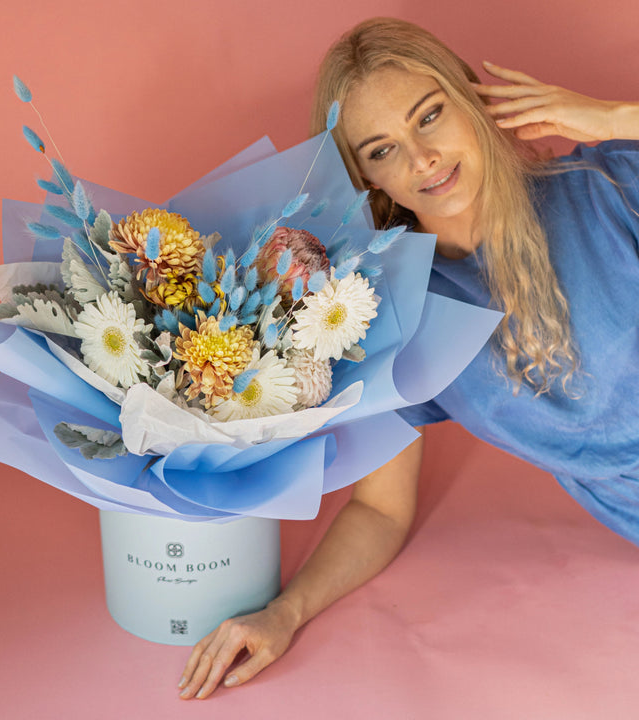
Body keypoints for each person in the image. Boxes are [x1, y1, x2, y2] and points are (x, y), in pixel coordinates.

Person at [177, 17, 639, 699]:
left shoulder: (607, 186)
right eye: (383, 149)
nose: (422, 158)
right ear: (364, 177)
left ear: (473, 99)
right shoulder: (392, 314)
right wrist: (283, 613)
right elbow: (381, 511)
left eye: (430, 115)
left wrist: (617, 117)